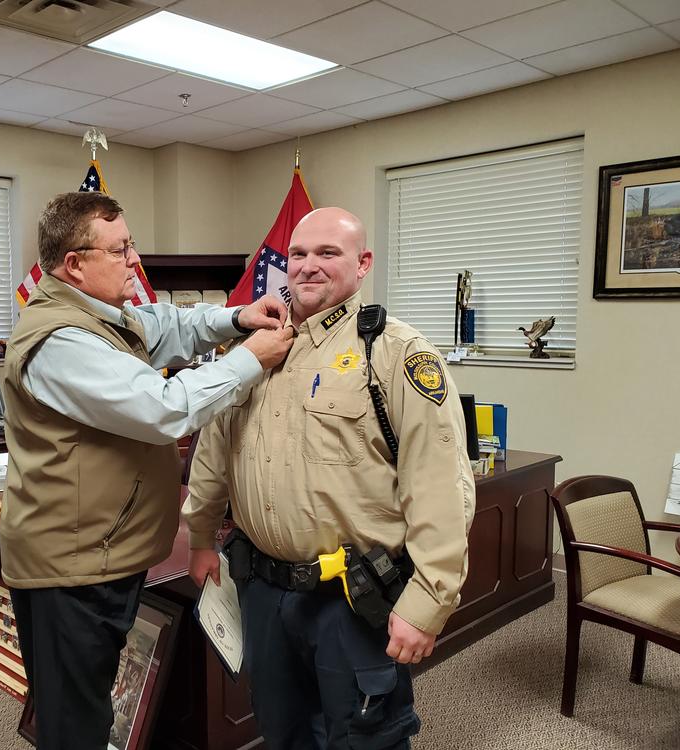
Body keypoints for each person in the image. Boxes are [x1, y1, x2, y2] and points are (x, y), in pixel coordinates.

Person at [0, 191, 294, 750]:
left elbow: (165, 326)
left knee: (89, 700)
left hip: (101, 552)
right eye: (120, 250)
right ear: (75, 265)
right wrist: (250, 357)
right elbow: (165, 408)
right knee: (74, 725)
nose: (135, 261)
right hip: (71, 568)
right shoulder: (60, 340)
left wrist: (236, 318)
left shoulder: (100, 315)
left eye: (131, 245)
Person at [183, 207, 475, 750]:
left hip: (351, 597)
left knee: (365, 737)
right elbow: (213, 453)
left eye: (328, 253)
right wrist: (200, 537)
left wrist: (428, 602)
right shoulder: (252, 351)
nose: (308, 266)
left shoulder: (393, 353)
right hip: (263, 591)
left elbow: (441, 486)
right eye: (298, 254)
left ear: (362, 264)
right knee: (282, 730)